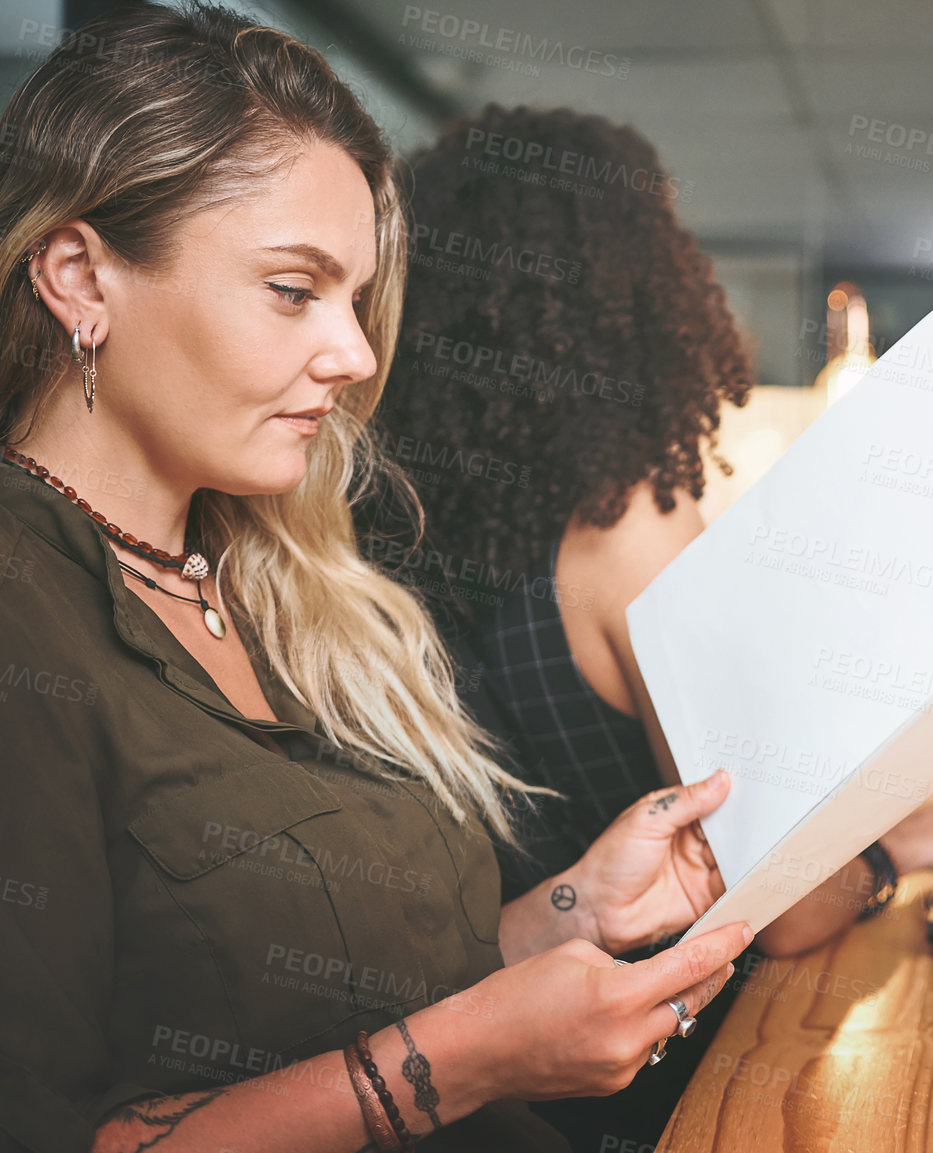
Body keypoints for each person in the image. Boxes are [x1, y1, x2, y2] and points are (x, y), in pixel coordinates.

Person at [0, 8, 752, 1153]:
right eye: (295, 291)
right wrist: (459, 1064)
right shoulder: (26, 609)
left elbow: (348, 992)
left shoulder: (280, 583)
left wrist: (573, 911)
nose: (353, 354)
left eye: (356, 299)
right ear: (79, 277)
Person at [366, 105, 933, 1150]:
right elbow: (789, 906)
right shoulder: (627, 517)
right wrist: (890, 855)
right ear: (635, 292)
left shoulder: (393, 523)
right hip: (649, 1064)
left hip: (481, 1052)